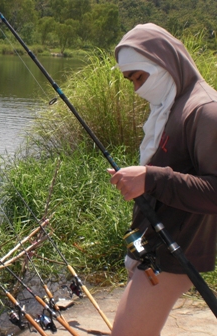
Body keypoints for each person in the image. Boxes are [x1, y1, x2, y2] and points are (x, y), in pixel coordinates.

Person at [108, 23, 217, 335]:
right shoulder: (170, 107)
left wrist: (151, 178)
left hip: (174, 255)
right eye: (130, 80)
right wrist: (143, 179)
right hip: (156, 248)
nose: (136, 88)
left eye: (139, 77)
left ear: (164, 63)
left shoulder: (205, 111)